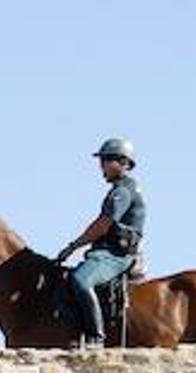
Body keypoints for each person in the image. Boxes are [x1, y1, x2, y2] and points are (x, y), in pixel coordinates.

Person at [54, 138, 146, 349]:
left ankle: (96, 337)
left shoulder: (123, 191)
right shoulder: (121, 189)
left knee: (80, 280)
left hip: (116, 255)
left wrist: (73, 246)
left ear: (122, 162)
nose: (101, 166)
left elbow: (103, 225)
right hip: (108, 252)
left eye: (106, 160)